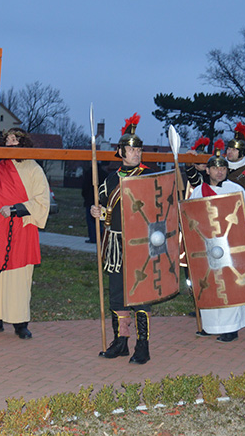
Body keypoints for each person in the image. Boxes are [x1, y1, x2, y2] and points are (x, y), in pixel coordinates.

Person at [0, 128, 50, 340]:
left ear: (23, 143)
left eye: (14, 140)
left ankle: (20, 322)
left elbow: (42, 201)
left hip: (21, 228)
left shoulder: (33, 169)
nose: (10, 143)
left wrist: (15, 209)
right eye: (7, 140)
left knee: (19, 278)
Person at [90, 113, 154, 364]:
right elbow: (108, 211)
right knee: (117, 295)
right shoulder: (110, 179)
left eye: (139, 149)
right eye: (131, 149)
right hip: (115, 244)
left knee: (140, 295)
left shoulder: (148, 177)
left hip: (140, 244)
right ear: (120, 152)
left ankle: (143, 345)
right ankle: (121, 341)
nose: (136, 153)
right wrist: (99, 213)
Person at [188, 142, 245, 342]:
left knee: (230, 284)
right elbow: (191, 217)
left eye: (223, 168)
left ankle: (231, 328)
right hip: (208, 247)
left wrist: (233, 224)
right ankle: (210, 326)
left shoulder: (235, 189)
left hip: (229, 245)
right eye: (216, 168)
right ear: (207, 170)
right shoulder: (199, 191)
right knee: (210, 284)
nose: (220, 172)